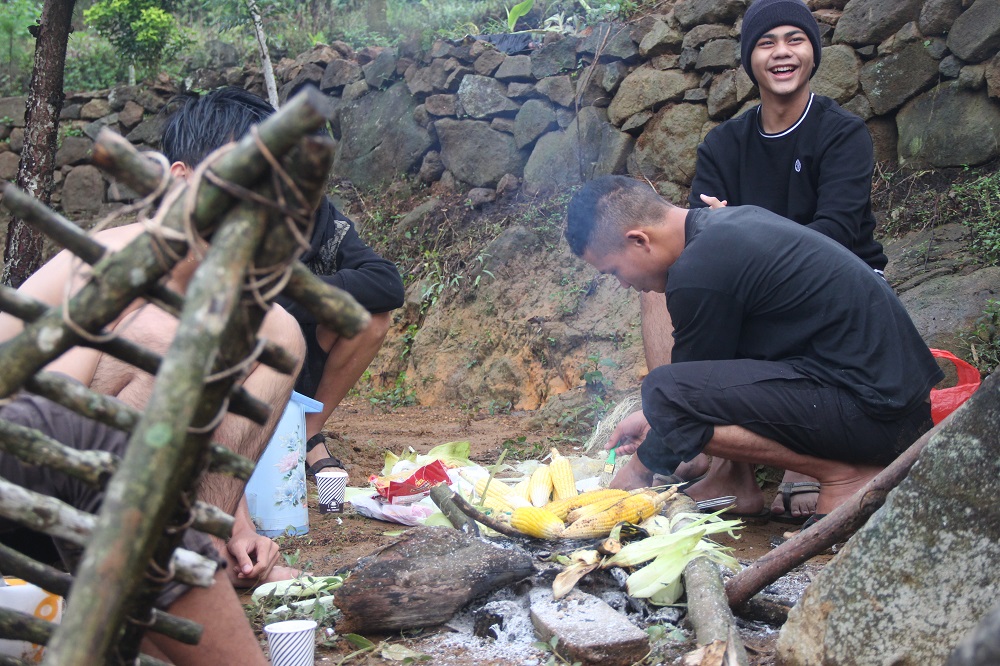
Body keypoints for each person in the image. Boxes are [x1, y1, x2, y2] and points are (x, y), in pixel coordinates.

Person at [0, 222, 304, 663]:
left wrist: (239, 525)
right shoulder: (111, 263)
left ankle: (200, 559)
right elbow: (49, 422)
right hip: (35, 507)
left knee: (276, 333)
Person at [638, 0, 888, 521]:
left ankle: (809, 459)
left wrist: (744, 230)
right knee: (666, 287)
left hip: (839, 288)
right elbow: (699, 243)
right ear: (749, 58)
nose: (781, 53)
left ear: (813, 53)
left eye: (794, 40)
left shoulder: (841, 134)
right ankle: (720, 457)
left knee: (742, 287)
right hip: (751, 292)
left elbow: (835, 236)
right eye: (766, 42)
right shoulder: (723, 145)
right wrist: (730, 241)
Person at [567, 175, 941, 523]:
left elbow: (680, 398)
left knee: (663, 390)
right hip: (896, 408)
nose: (622, 284)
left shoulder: (699, 271)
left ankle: (842, 474)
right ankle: (734, 482)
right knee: (668, 396)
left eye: (613, 272)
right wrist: (653, 417)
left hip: (876, 416)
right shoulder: (727, 226)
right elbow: (705, 381)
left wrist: (638, 472)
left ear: (639, 240)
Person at [160, 86, 406, 478]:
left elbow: (387, 285)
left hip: (292, 352)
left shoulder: (317, 217)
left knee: (359, 318)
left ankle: (305, 434)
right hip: (226, 364)